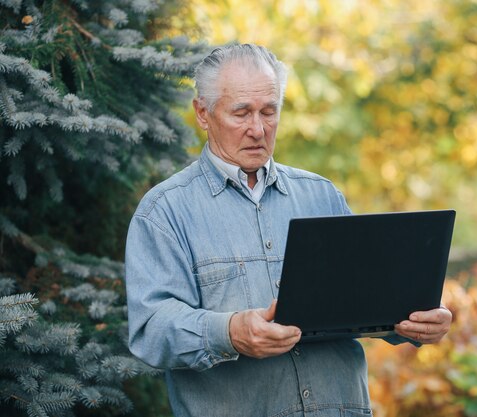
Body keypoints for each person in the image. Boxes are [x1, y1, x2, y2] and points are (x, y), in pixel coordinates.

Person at [125, 43, 452, 417]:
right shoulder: (164, 211)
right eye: (241, 113)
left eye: (269, 111)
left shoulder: (322, 196)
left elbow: (369, 298)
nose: (257, 129)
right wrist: (229, 332)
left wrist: (418, 318)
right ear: (203, 112)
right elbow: (151, 329)